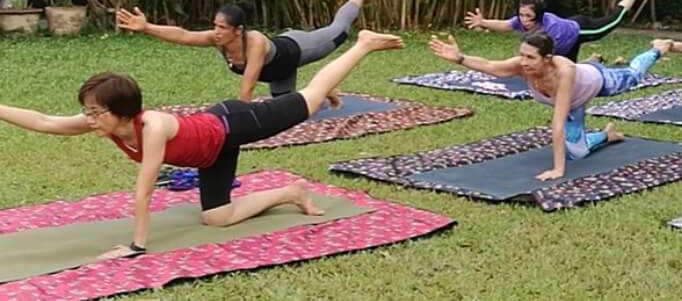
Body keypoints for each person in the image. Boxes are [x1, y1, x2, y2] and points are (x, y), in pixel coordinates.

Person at [0, 30, 404, 261]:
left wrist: (136, 246)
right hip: (211, 148)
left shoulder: (152, 126)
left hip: (232, 125)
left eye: (95, 112)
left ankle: (362, 44)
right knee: (217, 219)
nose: (89, 120)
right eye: (87, 112)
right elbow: (45, 121)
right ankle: (291, 192)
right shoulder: (106, 123)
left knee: (311, 99)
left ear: (122, 112)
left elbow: (144, 189)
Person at [428, 30, 672, 180]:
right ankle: (606, 135)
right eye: (521, 55)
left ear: (547, 59)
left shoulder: (563, 70)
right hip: (576, 103)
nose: (523, 62)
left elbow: (557, 123)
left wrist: (557, 169)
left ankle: (656, 50)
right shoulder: (520, 65)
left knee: (634, 76)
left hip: (599, 82)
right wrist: (459, 58)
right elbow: (490, 66)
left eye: (530, 57)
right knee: (577, 153)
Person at [115, 0, 384, 103]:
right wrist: (147, 27)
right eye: (215, 25)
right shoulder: (216, 40)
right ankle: (327, 90)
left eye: (222, 27)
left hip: (298, 50)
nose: (216, 31)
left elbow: (249, 85)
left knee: (338, 31)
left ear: (238, 30)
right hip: (279, 73)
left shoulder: (253, 42)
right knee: (289, 111)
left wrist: (242, 122)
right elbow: (183, 35)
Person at [462, 0, 653, 62]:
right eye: (521, 15)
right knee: (570, 74)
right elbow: (504, 25)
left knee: (614, 20)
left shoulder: (549, 30)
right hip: (566, 38)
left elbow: (545, 56)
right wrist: (483, 22)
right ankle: (592, 62)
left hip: (580, 30)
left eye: (529, 16)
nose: (524, 20)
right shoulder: (521, 20)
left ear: (538, 15)